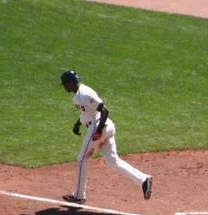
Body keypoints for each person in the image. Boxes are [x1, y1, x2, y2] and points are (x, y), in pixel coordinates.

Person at [59, 70, 152, 204]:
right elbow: (87, 113)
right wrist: (77, 124)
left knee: (81, 159)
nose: (65, 88)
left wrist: (98, 130)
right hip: (103, 127)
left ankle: (79, 196)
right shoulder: (78, 95)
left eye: (65, 84)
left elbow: (104, 110)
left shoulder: (85, 93)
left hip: (99, 127)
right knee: (113, 161)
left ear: (70, 83)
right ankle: (144, 180)